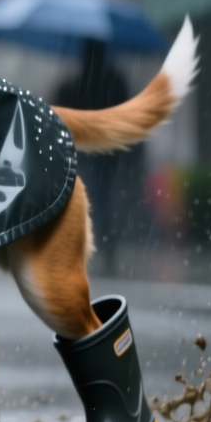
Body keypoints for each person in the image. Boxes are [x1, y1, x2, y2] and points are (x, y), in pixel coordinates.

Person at [52, 38, 141, 275]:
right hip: (103, 152)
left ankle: (92, 247)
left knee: (90, 200)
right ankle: (102, 247)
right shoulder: (112, 81)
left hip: (89, 152)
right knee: (100, 199)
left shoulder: (78, 83)